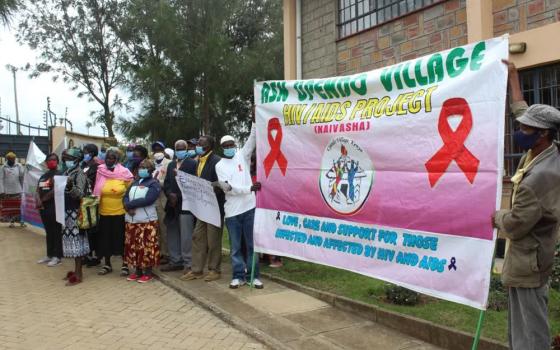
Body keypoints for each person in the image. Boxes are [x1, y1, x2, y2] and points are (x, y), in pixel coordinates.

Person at [492, 60, 560, 350]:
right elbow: (522, 110)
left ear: (542, 133)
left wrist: (496, 216)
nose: (519, 130)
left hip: (529, 259)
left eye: (524, 128)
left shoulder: (541, 177)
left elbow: (516, 223)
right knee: (520, 322)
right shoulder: (545, 149)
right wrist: (514, 75)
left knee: (531, 330)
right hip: (531, 256)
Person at [215, 120, 264, 289]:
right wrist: (249, 188)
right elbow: (228, 188)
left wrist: (254, 120)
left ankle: (253, 276)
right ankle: (238, 276)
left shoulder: (242, 155)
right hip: (232, 212)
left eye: (231, 144)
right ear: (222, 147)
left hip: (249, 208)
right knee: (235, 247)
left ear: (235, 145)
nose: (229, 147)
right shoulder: (219, 165)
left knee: (252, 245)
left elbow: (252, 138)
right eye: (226, 145)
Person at [182, 135, 225, 282]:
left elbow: (222, 184)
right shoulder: (198, 161)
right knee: (197, 237)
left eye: (201, 144)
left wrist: (207, 187)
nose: (198, 146)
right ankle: (197, 270)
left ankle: (214, 270)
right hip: (202, 208)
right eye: (198, 143)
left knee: (213, 240)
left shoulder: (217, 161)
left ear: (209, 147)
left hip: (214, 208)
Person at [93, 148, 134, 276]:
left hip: (120, 212)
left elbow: (130, 191)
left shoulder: (125, 172)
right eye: (107, 158)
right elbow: (96, 188)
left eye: (112, 158)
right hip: (104, 212)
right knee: (105, 239)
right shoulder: (100, 171)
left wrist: (129, 204)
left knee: (121, 238)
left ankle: (125, 265)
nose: (109, 160)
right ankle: (107, 264)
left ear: (117, 160)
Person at [161, 140, 196, 273]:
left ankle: (188, 263)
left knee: (186, 235)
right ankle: (175, 260)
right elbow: (167, 183)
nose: (180, 151)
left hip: (185, 205)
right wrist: (170, 194)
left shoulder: (192, 164)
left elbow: (194, 184)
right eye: (177, 149)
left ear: (186, 150)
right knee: (172, 232)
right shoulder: (170, 165)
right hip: (171, 205)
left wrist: (179, 197)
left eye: (182, 148)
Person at [123, 159, 161, 283]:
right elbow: (125, 196)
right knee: (133, 246)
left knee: (147, 246)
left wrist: (130, 205)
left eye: (145, 167)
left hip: (147, 221)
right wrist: (127, 206)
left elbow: (148, 199)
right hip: (132, 220)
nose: (142, 169)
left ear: (150, 170)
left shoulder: (154, 183)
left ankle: (148, 272)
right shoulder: (134, 182)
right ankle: (137, 271)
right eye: (140, 167)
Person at [61, 148, 90, 286]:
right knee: (71, 241)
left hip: (76, 212)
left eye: (68, 158)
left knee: (77, 241)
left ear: (76, 160)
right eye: (64, 158)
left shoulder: (80, 174)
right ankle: (75, 270)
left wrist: (70, 186)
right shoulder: (67, 172)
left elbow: (79, 194)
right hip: (67, 211)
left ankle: (79, 274)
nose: (65, 161)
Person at [36, 153, 63, 267]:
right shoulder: (44, 176)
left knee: (56, 231)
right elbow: (38, 189)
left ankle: (57, 256)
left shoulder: (60, 174)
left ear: (57, 162)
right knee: (48, 231)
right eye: (49, 160)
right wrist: (38, 200)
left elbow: (56, 190)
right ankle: (49, 254)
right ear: (46, 162)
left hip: (54, 206)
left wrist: (43, 200)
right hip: (43, 208)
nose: (51, 162)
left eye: (54, 160)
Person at [81, 144, 101, 267]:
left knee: (94, 229)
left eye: (86, 152)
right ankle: (87, 254)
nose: (85, 154)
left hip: (93, 201)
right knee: (85, 228)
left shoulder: (98, 167)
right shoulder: (83, 166)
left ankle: (96, 256)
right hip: (83, 201)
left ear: (93, 153)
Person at [152, 141, 171, 264]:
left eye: (159, 150)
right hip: (151, 200)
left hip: (163, 199)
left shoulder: (169, 164)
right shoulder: (150, 164)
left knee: (164, 227)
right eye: (155, 150)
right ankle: (157, 251)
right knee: (155, 227)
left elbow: (170, 182)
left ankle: (166, 253)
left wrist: (158, 183)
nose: (157, 152)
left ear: (164, 151)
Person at [0, 151, 25, 227]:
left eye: (13, 159)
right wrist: (2, 191)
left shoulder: (19, 166)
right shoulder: (3, 167)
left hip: (17, 190)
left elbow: (22, 175)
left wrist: (26, 170)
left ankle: (21, 221)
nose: (12, 160)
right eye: (10, 159)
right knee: (10, 207)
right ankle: (11, 222)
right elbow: (0, 179)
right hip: (7, 191)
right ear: (7, 159)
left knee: (18, 207)